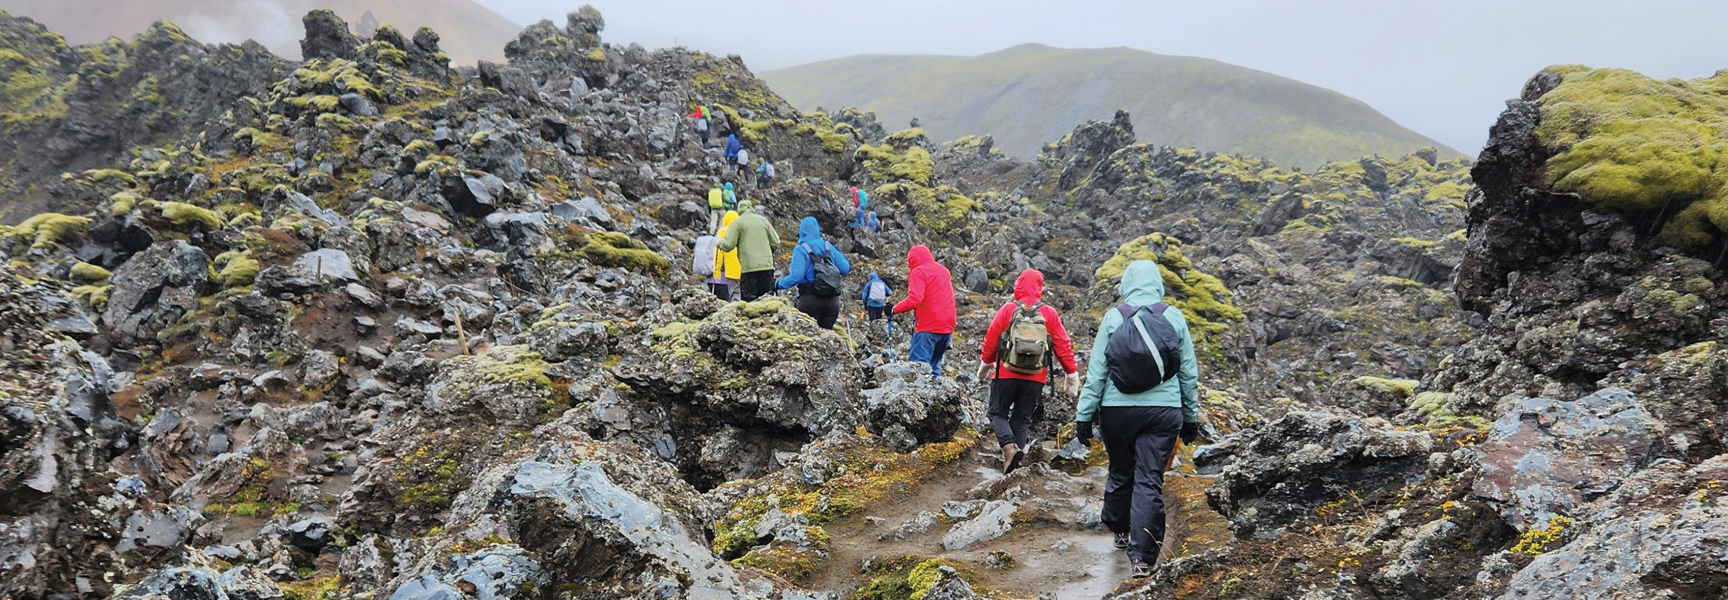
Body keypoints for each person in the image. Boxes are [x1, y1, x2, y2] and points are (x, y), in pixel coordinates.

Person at [1073, 260, 1200, 578]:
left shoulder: (1114, 317)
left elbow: (1098, 373)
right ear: (1157, 284)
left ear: (1126, 284)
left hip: (1117, 411)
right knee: (1149, 480)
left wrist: (1084, 416)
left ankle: (1119, 529)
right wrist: (1191, 417)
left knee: (1120, 470)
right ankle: (1142, 557)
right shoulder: (1173, 316)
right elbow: (1188, 373)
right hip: (1163, 413)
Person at [976, 269, 1080, 473]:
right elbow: (1062, 345)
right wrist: (1071, 373)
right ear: (1040, 287)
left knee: (997, 412)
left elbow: (991, 339)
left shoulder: (1008, 310)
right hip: (1035, 378)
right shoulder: (1049, 313)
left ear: (1018, 285)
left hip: (1005, 374)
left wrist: (986, 364)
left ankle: (1009, 448)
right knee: (1022, 418)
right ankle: (1015, 463)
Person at [776, 217, 852, 329]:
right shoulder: (828, 247)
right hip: (832, 302)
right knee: (827, 338)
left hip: (810, 301)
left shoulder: (801, 249)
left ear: (802, 231)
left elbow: (797, 276)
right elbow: (845, 268)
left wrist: (777, 284)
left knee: (809, 338)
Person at [892, 245, 956, 377]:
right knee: (934, 367)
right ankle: (937, 395)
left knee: (918, 370)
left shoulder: (918, 272)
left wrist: (894, 309)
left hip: (928, 327)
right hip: (948, 326)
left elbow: (915, 299)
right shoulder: (943, 270)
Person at [717, 200, 780, 301]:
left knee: (750, 300)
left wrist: (718, 243)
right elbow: (775, 242)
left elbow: (728, 245)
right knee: (766, 299)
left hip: (748, 267)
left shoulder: (737, 223)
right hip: (767, 265)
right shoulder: (763, 221)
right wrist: (767, 254)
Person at [713, 210, 742, 300]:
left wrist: (716, 271)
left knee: (734, 292)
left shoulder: (722, 233)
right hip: (745, 268)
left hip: (731, 269)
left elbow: (718, 254)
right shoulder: (742, 231)